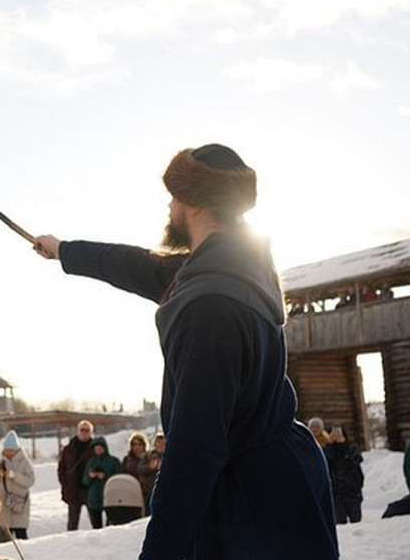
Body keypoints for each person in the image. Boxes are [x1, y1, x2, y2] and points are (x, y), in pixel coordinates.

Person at [32, 144, 338, 560]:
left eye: (174, 195)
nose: (170, 206)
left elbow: (195, 450)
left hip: (249, 509)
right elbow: (138, 265)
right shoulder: (238, 268)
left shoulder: (207, 307)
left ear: (192, 201)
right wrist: (66, 250)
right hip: (281, 479)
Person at [0, 431, 35, 539]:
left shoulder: (24, 463)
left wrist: (14, 476)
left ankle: (26, 554)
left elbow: (30, 480)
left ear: (16, 450)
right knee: (4, 538)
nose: (8, 453)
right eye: (6, 450)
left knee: (21, 535)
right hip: (3, 507)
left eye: (11, 450)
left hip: (19, 506)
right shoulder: (0, 463)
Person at [57, 420, 96, 530]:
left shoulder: (96, 448)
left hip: (90, 489)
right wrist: (65, 484)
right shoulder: (68, 449)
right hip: (73, 489)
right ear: (78, 431)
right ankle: (70, 544)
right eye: (82, 430)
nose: (84, 432)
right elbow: (61, 469)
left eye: (87, 430)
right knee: (72, 523)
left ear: (91, 432)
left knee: (95, 520)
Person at [323, 427, 363, 524]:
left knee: (357, 523)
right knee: (340, 525)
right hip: (336, 493)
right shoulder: (327, 451)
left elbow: (356, 467)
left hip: (352, 491)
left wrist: (357, 486)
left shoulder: (351, 449)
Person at [81, 437, 121, 529]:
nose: (98, 450)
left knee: (112, 525)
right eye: (96, 448)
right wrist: (90, 476)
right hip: (93, 499)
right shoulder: (91, 462)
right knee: (96, 526)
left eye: (100, 448)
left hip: (110, 497)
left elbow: (119, 478)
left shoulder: (113, 461)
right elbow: (85, 481)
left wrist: (105, 477)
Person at [122, 432, 153, 511]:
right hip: (131, 490)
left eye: (140, 444)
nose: (137, 447)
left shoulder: (149, 458)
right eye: (134, 444)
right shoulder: (127, 459)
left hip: (146, 490)